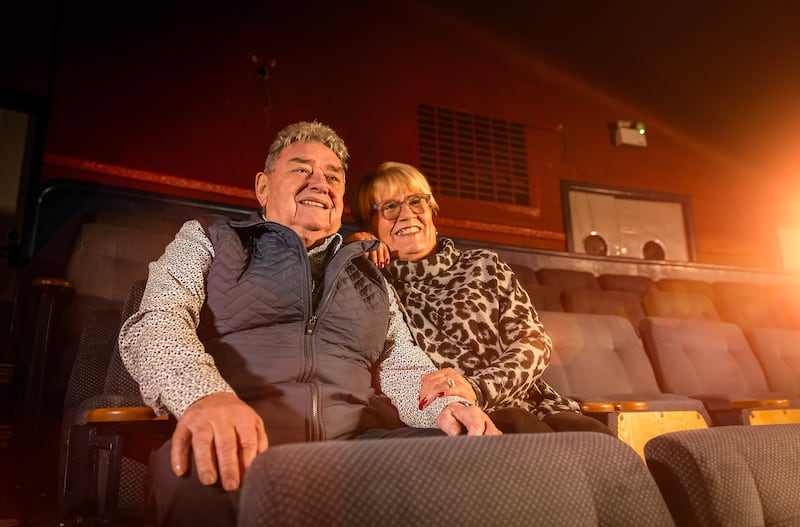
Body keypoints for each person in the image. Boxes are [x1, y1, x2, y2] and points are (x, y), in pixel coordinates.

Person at [118, 122, 500, 527]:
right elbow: (156, 321)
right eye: (301, 169)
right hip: (247, 437)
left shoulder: (368, 273)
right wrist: (204, 397)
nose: (320, 182)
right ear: (263, 187)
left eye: (332, 176)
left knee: (478, 458)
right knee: (197, 477)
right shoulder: (209, 239)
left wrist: (444, 406)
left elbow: (400, 362)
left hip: (361, 446)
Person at [349, 161, 613, 435]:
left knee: (598, 439)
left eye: (416, 201)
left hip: (530, 401)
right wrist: (355, 250)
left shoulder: (484, 265)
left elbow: (533, 343)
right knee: (529, 436)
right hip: (458, 416)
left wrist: (480, 386)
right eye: (390, 207)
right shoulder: (378, 286)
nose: (407, 214)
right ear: (370, 224)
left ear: (431, 210)